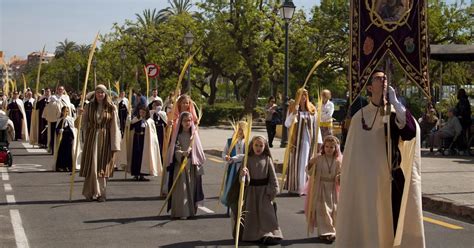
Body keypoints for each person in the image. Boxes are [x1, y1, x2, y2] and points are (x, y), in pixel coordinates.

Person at [336, 70, 424, 247]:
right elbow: (354, 154)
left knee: (394, 223)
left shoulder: (395, 112)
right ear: (369, 87)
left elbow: (409, 132)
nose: (384, 80)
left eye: (385, 77)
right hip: (368, 183)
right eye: (378, 78)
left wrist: (397, 104)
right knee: (371, 223)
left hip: (392, 179)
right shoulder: (359, 118)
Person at [229, 135, 283, 245]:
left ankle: (267, 233)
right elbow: (242, 180)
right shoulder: (247, 159)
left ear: (265, 146)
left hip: (264, 192)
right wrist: (245, 175)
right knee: (252, 215)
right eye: (256, 145)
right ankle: (255, 235)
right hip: (251, 192)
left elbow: (273, 177)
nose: (258, 148)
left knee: (266, 214)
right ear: (252, 146)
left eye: (261, 145)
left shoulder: (267, 159)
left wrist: (273, 191)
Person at [80, 84, 121, 202]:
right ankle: (89, 193)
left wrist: (115, 144)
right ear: (95, 94)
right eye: (98, 92)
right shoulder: (89, 106)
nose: (100, 94)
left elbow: (115, 126)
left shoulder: (111, 107)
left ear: (105, 94)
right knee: (91, 165)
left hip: (105, 138)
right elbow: (82, 124)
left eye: (102, 92)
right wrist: (80, 114)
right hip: (92, 138)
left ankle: (102, 194)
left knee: (103, 166)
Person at [167, 111, 206, 219]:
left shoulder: (194, 136)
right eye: (185, 120)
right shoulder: (177, 135)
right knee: (182, 190)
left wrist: (193, 154)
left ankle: (191, 211)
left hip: (191, 165)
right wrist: (182, 153)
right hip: (180, 165)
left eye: (189, 120)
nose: (187, 122)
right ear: (181, 122)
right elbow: (174, 150)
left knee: (191, 189)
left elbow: (199, 151)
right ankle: (182, 212)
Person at [284, 88, 322, 195]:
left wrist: (319, 141)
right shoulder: (292, 108)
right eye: (301, 95)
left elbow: (316, 126)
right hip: (297, 140)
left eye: (305, 95)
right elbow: (287, 124)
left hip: (309, 141)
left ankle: (305, 187)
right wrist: (293, 114)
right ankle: (296, 187)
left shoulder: (312, 109)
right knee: (297, 162)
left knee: (307, 162)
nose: (303, 97)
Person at [305, 135, 342, 241]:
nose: (329, 149)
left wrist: (339, 177)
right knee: (322, 210)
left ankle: (332, 231)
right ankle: (324, 232)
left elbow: (340, 175)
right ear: (323, 147)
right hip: (320, 188)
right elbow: (309, 172)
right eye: (327, 147)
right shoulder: (319, 159)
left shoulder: (338, 161)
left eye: (331, 147)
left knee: (333, 211)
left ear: (335, 148)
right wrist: (311, 163)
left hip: (332, 190)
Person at [128, 105, 161, 181]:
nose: (142, 114)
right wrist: (128, 122)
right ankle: (136, 174)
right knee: (136, 157)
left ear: (146, 113)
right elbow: (130, 128)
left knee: (144, 158)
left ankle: (142, 174)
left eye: (143, 112)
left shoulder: (150, 121)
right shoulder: (135, 119)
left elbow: (153, 134)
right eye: (140, 112)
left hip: (146, 142)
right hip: (136, 140)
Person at [220, 121, 247, 209]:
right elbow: (224, 153)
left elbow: (247, 155)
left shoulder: (248, 142)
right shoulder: (230, 141)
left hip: (243, 167)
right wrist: (226, 157)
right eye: (238, 129)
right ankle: (231, 205)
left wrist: (235, 158)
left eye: (241, 129)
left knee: (242, 186)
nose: (239, 131)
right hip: (232, 168)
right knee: (231, 186)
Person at [54, 106, 76, 172]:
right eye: (64, 111)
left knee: (69, 153)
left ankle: (69, 166)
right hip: (62, 139)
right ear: (62, 112)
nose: (65, 113)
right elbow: (56, 129)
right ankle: (61, 166)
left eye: (67, 111)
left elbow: (73, 129)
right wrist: (59, 130)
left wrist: (68, 130)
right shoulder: (60, 120)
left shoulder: (71, 119)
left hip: (69, 138)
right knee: (62, 152)